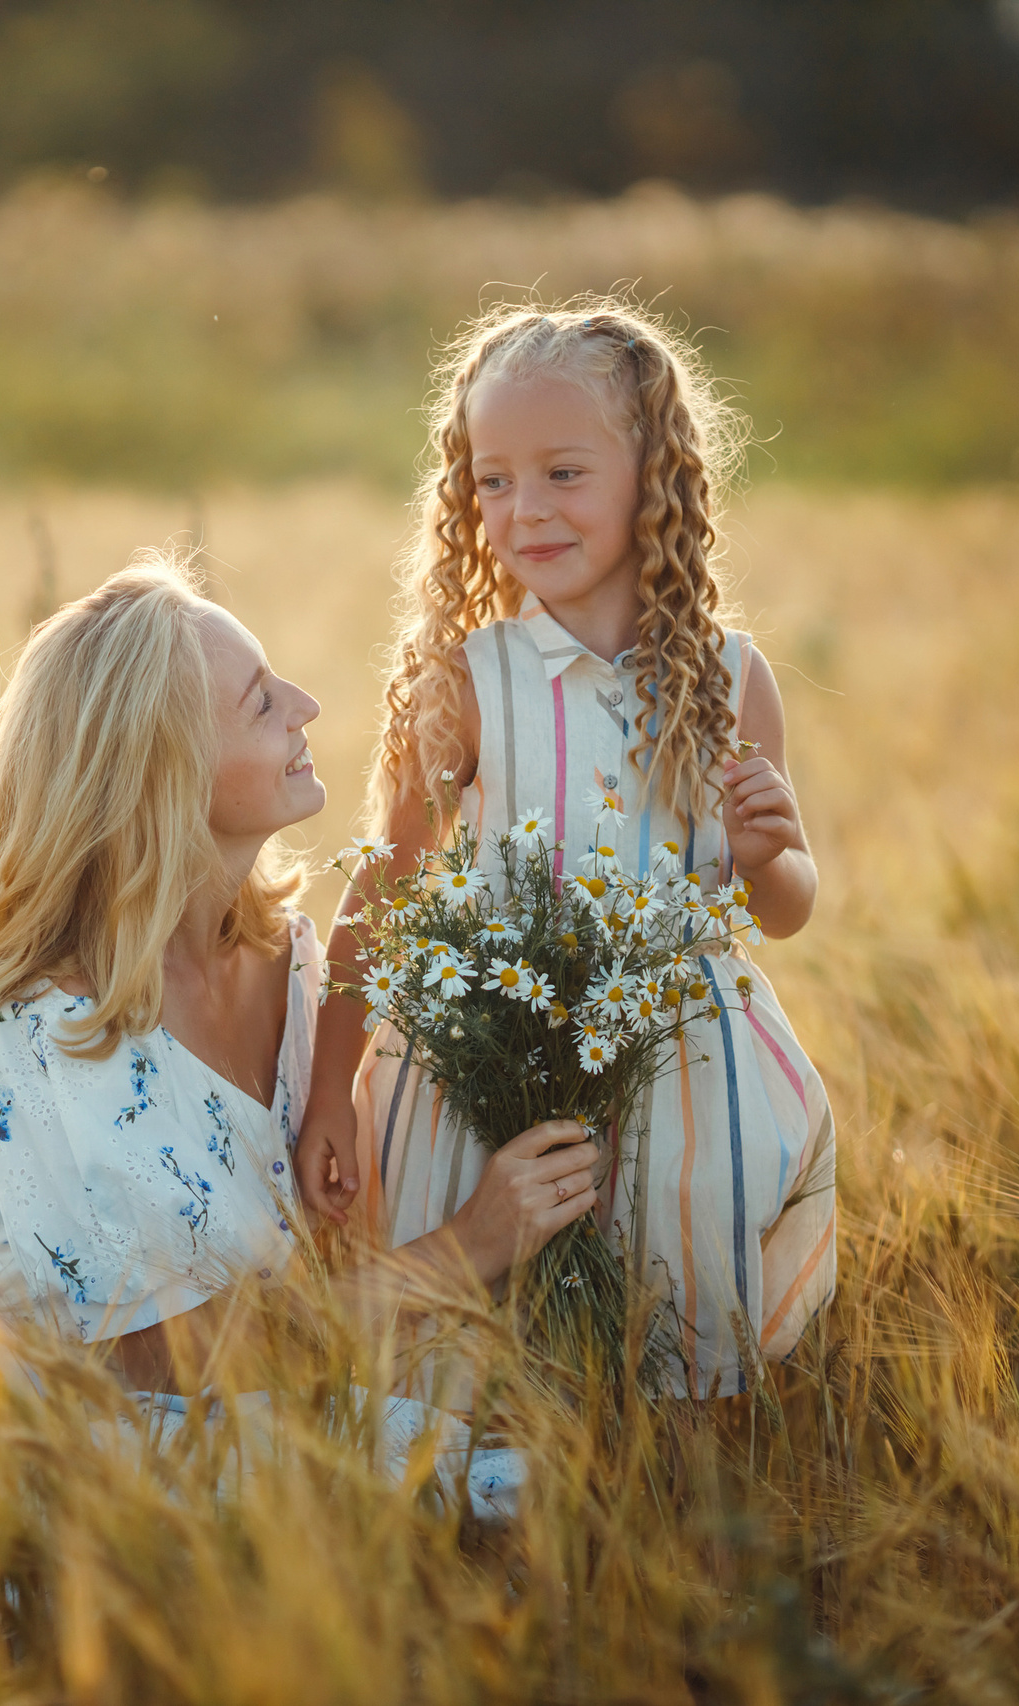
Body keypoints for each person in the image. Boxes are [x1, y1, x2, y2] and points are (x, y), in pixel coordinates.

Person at [0, 556, 601, 1542]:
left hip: (201, 1429)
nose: (308, 704)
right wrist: (471, 1245)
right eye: (263, 703)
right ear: (165, 774)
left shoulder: (292, 962)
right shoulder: (56, 1025)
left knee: (545, 1485)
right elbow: (174, 1361)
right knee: (494, 1505)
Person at [297, 301, 838, 1400]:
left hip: (680, 1074)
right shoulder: (468, 681)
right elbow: (385, 883)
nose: (522, 510)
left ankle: (673, 1524)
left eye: (561, 473)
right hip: (488, 1065)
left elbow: (780, 908)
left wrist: (769, 851)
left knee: (675, 1352)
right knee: (479, 1373)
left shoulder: (731, 680)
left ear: (655, 476)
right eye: (491, 481)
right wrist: (326, 1087)